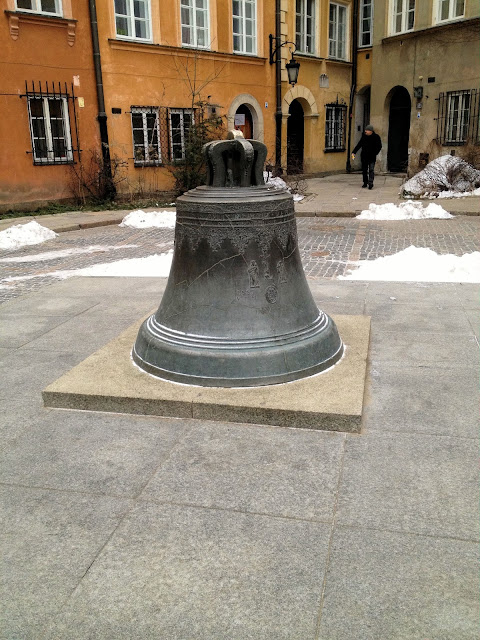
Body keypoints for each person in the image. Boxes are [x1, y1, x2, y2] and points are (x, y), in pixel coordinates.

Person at [351, 125, 382, 190]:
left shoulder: (376, 137)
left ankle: (370, 182)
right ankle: (365, 182)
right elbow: (359, 145)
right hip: (364, 156)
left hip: (372, 156)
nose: (365, 131)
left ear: (371, 131)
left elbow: (379, 146)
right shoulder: (364, 137)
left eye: (367, 130)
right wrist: (354, 152)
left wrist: (375, 152)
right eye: (365, 130)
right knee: (364, 170)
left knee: (371, 169)